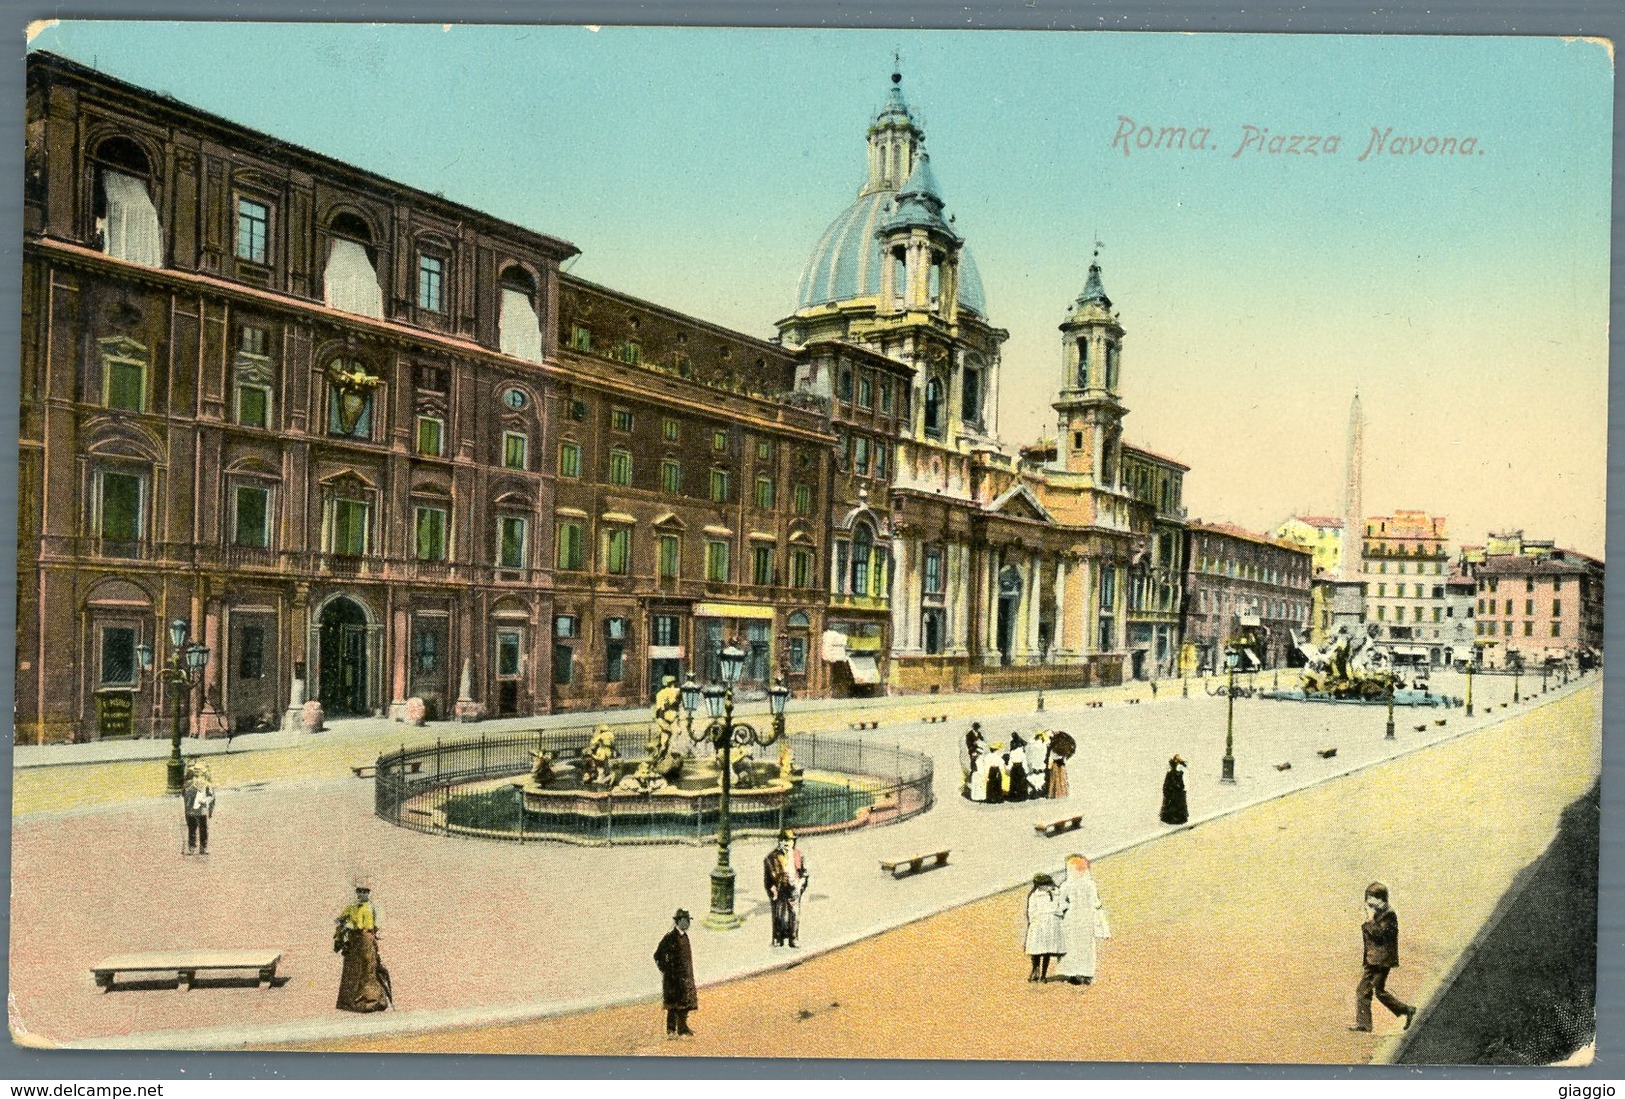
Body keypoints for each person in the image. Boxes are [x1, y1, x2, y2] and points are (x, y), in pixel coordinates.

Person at [1351, 882, 1416, 1032]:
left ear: (1381, 899)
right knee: (1365, 990)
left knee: (1376, 991)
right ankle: (1364, 1024)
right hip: (1373, 959)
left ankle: (1406, 1010)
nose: (1368, 902)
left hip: (1381, 961)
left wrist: (1369, 920)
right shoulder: (1379, 913)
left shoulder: (1389, 915)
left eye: (1371, 898)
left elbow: (1379, 936)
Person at [1053, 854, 1111, 985]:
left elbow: (1061, 904)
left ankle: (1075, 973)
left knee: (1074, 945)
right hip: (1086, 917)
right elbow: (1096, 902)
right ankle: (1086, 973)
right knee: (1086, 946)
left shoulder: (1066, 885)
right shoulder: (1089, 884)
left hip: (1073, 917)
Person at [334, 883, 389, 1012]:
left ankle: (373, 1000)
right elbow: (340, 919)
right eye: (360, 891)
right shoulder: (351, 906)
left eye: (365, 892)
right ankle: (351, 1002)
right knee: (353, 968)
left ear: (368, 893)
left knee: (368, 966)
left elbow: (378, 923)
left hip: (367, 938)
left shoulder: (373, 906)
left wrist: (373, 934)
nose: (362, 894)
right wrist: (344, 926)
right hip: (354, 940)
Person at [654, 908, 698, 1038]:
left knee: (684, 1004)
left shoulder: (685, 936)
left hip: (685, 978)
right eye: (685, 921)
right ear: (678, 922)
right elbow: (657, 955)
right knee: (673, 1006)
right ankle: (671, 1030)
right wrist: (666, 970)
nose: (687, 924)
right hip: (673, 980)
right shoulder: (670, 938)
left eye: (688, 921)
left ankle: (683, 1029)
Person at [763, 829, 810, 947]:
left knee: (794, 915)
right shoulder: (771, 858)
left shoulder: (798, 855)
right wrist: (772, 891)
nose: (791, 844)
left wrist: (801, 886)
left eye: (792, 841)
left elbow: (804, 873)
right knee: (779, 915)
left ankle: (793, 939)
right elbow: (768, 879)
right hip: (779, 890)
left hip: (794, 888)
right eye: (788, 841)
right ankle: (778, 938)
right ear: (781, 842)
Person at [1024, 873, 1065, 982]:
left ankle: (1043, 975)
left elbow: (1062, 906)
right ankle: (1035, 970)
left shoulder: (1057, 893)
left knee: (1047, 950)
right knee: (1036, 951)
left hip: (1052, 924)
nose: (1045, 887)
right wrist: (1034, 921)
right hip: (1039, 925)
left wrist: (1057, 914)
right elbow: (1031, 911)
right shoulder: (1034, 896)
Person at [182, 762, 215, 855]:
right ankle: (192, 848)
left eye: (199, 771)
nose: (197, 773)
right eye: (195, 771)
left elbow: (210, 795)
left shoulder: (206, 784)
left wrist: (206, 801)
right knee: (192, 829)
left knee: (202, 830)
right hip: (192, 811)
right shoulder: (188, 784)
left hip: (201, 811)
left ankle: (202, 848)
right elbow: (184, 794)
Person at [1159, 755, 1189, 825]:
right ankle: (1176, 818)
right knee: (1175, 804)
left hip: (1175, 791)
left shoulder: (1175, 771)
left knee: (1174, 804)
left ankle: (1173, 818)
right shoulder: (1176, 771)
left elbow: (1167, 783)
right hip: (1176, 791)